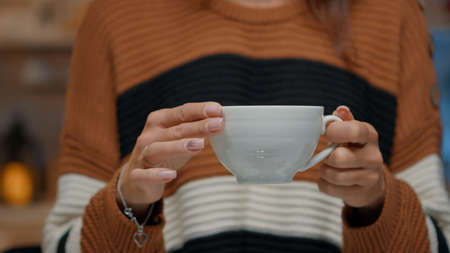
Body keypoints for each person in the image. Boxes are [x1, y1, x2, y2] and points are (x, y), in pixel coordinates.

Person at [43, 0, 450, 252]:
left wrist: (377, 205)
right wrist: (128, 202)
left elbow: (440, 237)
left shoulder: (392, 12)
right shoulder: (114, 14)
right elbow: (60, 244)